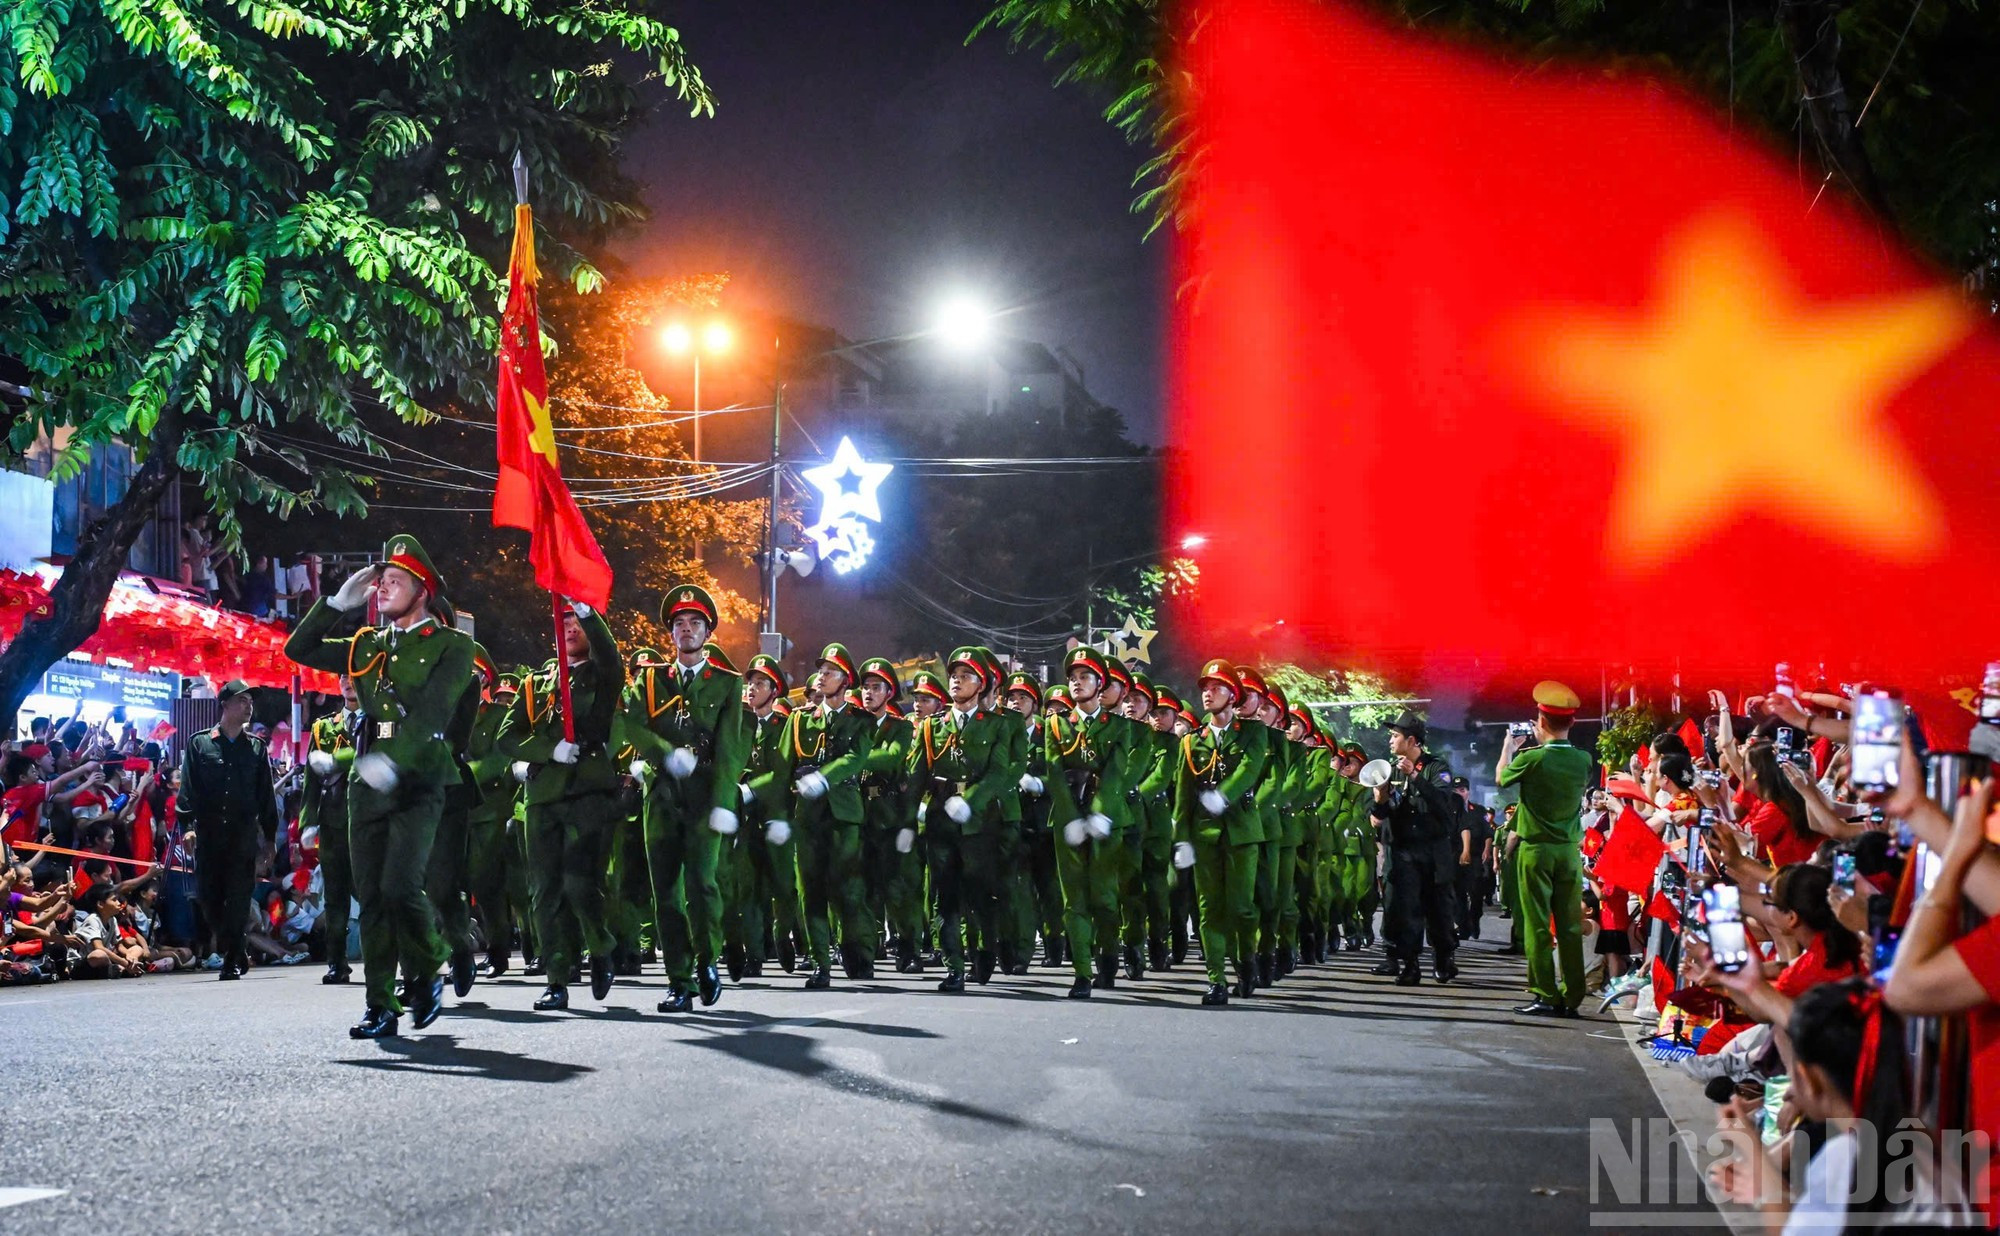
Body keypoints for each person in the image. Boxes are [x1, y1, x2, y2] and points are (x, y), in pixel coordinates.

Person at [284, 534, 476, 1039]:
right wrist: (335, 605)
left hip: (418, 779)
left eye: (395, 581)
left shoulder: (454, 646)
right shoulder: (366, 643)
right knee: (371, 897)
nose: (382, 588)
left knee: (399, 886)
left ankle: (429, 964)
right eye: (380, 582)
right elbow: (297, 649)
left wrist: (394, 760)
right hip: (364, 784)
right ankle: (381, 1005)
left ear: (423, 591)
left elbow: (435, 714)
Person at [622, 585, 748, 1013]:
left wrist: (725, 804)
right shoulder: (651, 678)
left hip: (703, 797)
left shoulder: (729, 684)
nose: (687, 630)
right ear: (670, 634)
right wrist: (662, 754)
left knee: (703, 884)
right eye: (679, 624)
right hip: (660, 796)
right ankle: (679, 979)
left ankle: (708, 960)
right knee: (667, 894)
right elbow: (632, 725)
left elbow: (732, 750)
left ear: (707, 632)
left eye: (695, 623)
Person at [495, 599, 624, 1013]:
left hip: (588, 790)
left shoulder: (602, 675)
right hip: (544, 794)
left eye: (576, 621)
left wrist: (589, 611)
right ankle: (557, 976)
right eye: (563, 619)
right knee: (544, 888)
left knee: (580, 881)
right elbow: (507, 735)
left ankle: (600, 944)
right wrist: (550, 749)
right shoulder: (536, 683)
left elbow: (611, 656)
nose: (570, 626)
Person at [752, 644, 875, 988]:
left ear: (845, 681)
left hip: (844, 814)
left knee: (847, 890)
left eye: (830, 672)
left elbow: (856, 758)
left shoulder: (860, 721)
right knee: (811, 890)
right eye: (820, 670)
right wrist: (775, 812)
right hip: (807, 816)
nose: (821, 676)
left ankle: (858, 952)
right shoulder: (799, 718)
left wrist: (824, 777)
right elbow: (781, 771)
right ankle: (822, 962)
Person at [907, 647, 1013, 992]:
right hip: (940, 819)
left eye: (965, 675)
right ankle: (954, 965)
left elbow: (999, 772)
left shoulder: (996, 725)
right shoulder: (931, 726)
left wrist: (972, 801)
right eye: (953, 675)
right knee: (944, 894)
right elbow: (916, 776)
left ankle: (984, 948)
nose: (956, 680)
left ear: (980, 685)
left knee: (981, 892)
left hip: (979, 821)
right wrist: (908, 819)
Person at [1173, 659, 1269, 1005]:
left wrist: (1223, 795)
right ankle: (1216, 979)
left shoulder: (1254, 732)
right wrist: (1181, 839)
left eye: (1216, 688)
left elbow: (1250, 769)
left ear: (1233, 695)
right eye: (1205, 689)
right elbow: (1183, 797)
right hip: (1204, 834)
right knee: (1209, 909)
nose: (1208, 694)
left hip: (1242, 832)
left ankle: (1246, 961)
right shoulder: (1191, 742)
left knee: (1242, 908)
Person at [1046, 646, 1140, 997]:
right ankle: (1082, 972)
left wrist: (1099, 813)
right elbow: (1054, 771)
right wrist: (1070, 817)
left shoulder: (1118, 726)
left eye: (1085, 676)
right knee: (1075, 900)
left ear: (1100, 684)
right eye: (1072, 677)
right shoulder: (1056, 724)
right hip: (1068, 819)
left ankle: (1109, 960)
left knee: (1103, 896)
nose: (1076, 683)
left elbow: (1116, 775)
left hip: (1106, 820)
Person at [1495, 680, 1592, 1016]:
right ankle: (1573, 996)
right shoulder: (1583, 760)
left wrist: (1509, 746)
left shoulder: (1532, 758)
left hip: (1536, 851)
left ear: (1540, 722)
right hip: (1568, 852)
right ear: (1573, 722)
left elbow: (1502, 779)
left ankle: (1545, 993)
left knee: (1536, 924)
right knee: (1569, 926)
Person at [174, 680, 279, 982]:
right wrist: (187, 827)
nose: (249, 706)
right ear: (225, 704)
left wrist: (269, 838)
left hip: (242, 836)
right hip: (208, 835)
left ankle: (231, 958)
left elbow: (266, 796)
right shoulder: (199, 743)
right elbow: (187, 790)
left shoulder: (257, 748)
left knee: (238, 898)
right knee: (209, 898)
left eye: (250, 701)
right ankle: (238, 945)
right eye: (243, 700)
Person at [1369, 709, 1461, 987]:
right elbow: (1380, 814)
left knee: (1439, 910)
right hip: (1403, 850)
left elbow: (1443, 805)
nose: (1391, 741)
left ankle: (1444, 959)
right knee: (1404, 910)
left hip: (1433, 851)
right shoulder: (1390, 770)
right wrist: (1380, 797)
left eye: (1395, 736)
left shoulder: (1437, 768)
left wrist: (1417, 778)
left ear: (1412, 741)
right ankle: (1409, 964)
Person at [301, 677, 362, 984]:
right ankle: (336, 963)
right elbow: (312, 779)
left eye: (355, 676)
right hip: (334, 821)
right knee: (334, 898)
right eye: (343, 677)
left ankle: (399, 959)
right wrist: (308, 821)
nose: (348, 682)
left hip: (369, 821)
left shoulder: (380, 718)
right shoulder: (323, 727)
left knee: (377, 894)